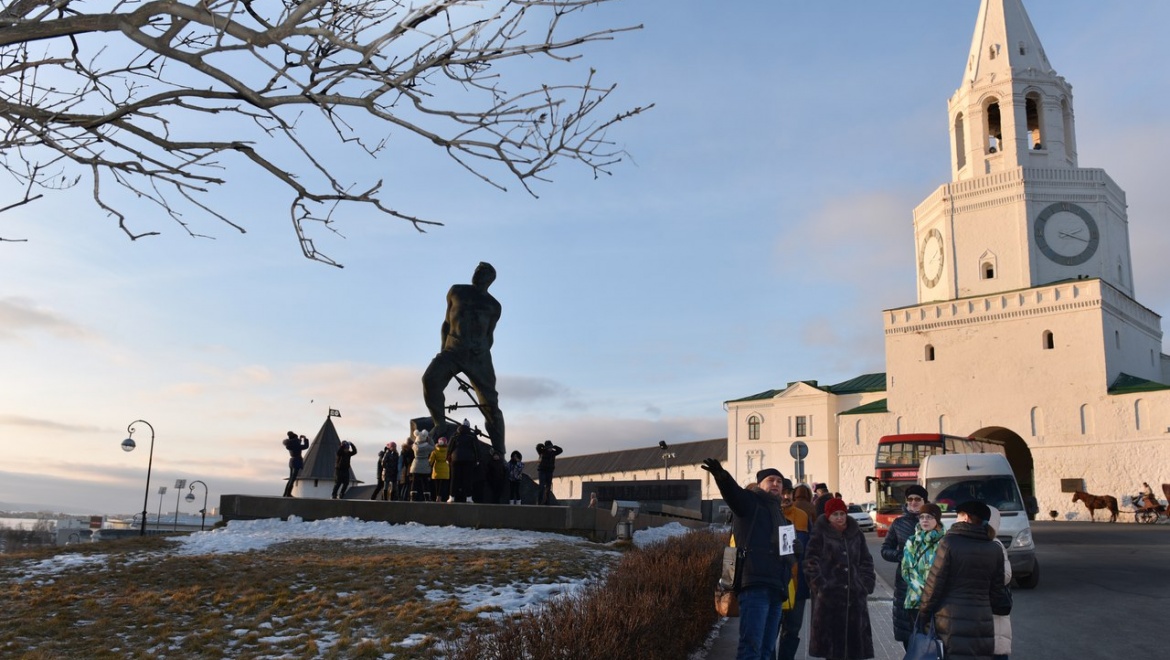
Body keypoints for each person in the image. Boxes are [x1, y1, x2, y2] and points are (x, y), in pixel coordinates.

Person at [701, 459, 795, 660]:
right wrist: (722, 477)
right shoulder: (750, 504)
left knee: (767, 650)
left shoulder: (780, 515)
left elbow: (789, 555)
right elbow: (734, 494)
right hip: (754, 586)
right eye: (771, 480)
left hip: (777, 589)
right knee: (751, 647)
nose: (777, 484)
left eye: (780, 481)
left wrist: (797, 550)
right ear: (760, 484)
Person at [421, 262, 506, 456]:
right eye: (476, 270)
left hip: (479, 356)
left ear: (490, 279)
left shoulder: (493, 306)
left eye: (482, 272)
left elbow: (489, 334)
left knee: (490, 405)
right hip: (452, 350)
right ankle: (440, 424)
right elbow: (446, 323)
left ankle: (499, 451)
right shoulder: (456, 291)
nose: (477, 274)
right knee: (430, 380)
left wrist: (481, 352)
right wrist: (443, 350)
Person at [918, 500, 1012, 660]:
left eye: (958, 516)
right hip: (982, 623)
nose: (955, 520)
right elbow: (998, 596)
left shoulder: (949, 543)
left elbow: (934, 585)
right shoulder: (994, 549)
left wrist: (922, 615)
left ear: (966, 518)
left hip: (950, 622)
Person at [804, 497, 875, 660]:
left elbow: (866, 560)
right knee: (832, 650)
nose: (839, 517)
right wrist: (821, 586)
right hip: (830, 602)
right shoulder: (820, 533)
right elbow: (810, 562)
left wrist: (865, 584)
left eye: (842, 513)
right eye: (835, 514)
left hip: (855, 600)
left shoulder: (856, 533)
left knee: (855, 649)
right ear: (828, 516)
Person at [880, 483, 929, 648]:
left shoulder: (932, 522)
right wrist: (901, 556)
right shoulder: (898, 524)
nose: (914, 502)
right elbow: (885, 550)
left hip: (929, 585)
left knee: (928, 634)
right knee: (908, 635)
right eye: (910, 499)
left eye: (917, 499)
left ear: (924, 501)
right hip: (904, 586)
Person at [776, 478, 810, 660]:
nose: (786, 497)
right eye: (783, 493)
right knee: (771, 631)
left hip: (799, 587)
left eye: (789, 493)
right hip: (776, 583)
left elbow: (812, 549)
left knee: (793, 631)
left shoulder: (803, 517)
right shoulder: (769, 515)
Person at [898, 504, 945, 625]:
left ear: (937, 519)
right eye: (922, 517)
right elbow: (907, 570)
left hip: (940, 602)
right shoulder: (912, 541)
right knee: (919, 641)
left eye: (929, 517)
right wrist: (925, 593)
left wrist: (934, 596)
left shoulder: (946, 541)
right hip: (916, 602)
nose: (924, 520)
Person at [987, 507, 1012, 660]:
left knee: (997, 649)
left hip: (994, 606)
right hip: (979, 608)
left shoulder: (996, 544)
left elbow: (1006, 575)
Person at [447, 422, 481, 503]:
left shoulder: (455, 435)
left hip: (455, 459)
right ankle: (468, 497)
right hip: (469, 459)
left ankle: (452, 497)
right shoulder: (472, 436)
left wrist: (447, 458)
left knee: (454, 479)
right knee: (468, 479)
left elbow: (449, 447)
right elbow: (476, 448)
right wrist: (478, 459)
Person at [281, 431, 309, 497]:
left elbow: (296, 443)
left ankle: (285, 493)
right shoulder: (296, 444)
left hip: (291, 461)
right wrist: (305, 439)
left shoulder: (289, 445)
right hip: (297, 461)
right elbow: (306, 446)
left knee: (291, 478)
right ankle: (288, 493)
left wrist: (299, 439)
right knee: (293, 479)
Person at [536, 440, 563, 505]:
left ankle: (547, 501)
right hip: (542, 470)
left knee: (548, 487)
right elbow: (537, 447)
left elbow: (560, 450)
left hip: (549, 471)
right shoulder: (542, 452)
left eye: (551, 448)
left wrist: (554, 446)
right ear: (546, 448)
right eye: (549, 448)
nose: (550, 449)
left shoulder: (553, 453)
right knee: (541, 486)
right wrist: (543, 446)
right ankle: (539, 501)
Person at [410, 430, 434, 502]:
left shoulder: (414, 446)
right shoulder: (427, 447)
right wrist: (429, 438)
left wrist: (417, 438)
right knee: (425, 482)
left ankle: (413, 497)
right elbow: (433, 447)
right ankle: (427, 497)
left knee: (414, 482)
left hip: (415, 465)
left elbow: (414, 443)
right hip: (424, 465)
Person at [430, 437, 451, 502]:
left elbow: (431, 460)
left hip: (436, 469)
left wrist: (429, 466)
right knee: (443, 485)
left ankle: (437, 496)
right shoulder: (448, 450)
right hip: (445, 469)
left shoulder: (435, 450)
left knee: (437, 484)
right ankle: (440, 497)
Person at [398, 435, 415, 501]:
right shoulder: (410, 451)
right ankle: (404, 498)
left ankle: (402, 497)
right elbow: (410, 460)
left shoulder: (403, 451)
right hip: (408, 469)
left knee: (404, 484)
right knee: (408, 485)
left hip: (403, 470)